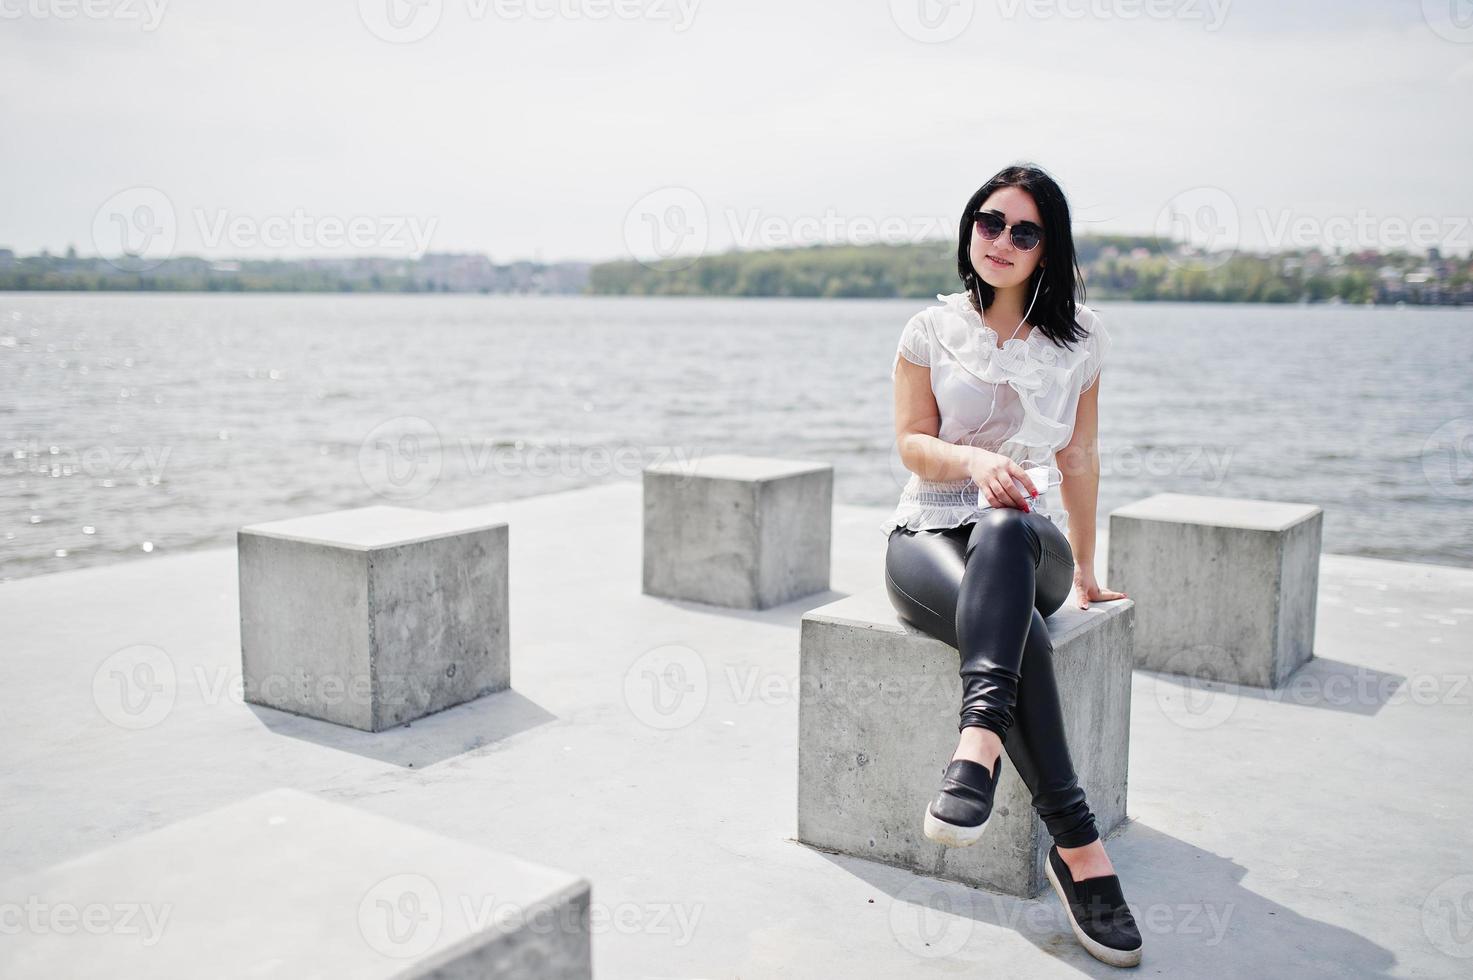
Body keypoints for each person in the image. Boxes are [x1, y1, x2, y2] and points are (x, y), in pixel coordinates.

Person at [883, 164, 1143, 968]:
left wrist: (1090, 568)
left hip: (1031, 547)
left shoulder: (1083, 338)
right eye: (989, 222)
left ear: (1046, 248)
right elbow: (911, 445)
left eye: (1023, 231)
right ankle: (1079, 846)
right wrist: (970, 460)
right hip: (926, 536)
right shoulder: (928, 332)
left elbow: (1081, 456)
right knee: (1013, 624)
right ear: (970, 229)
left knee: (1006, 527)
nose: (1001, 241)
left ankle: (977, 745)